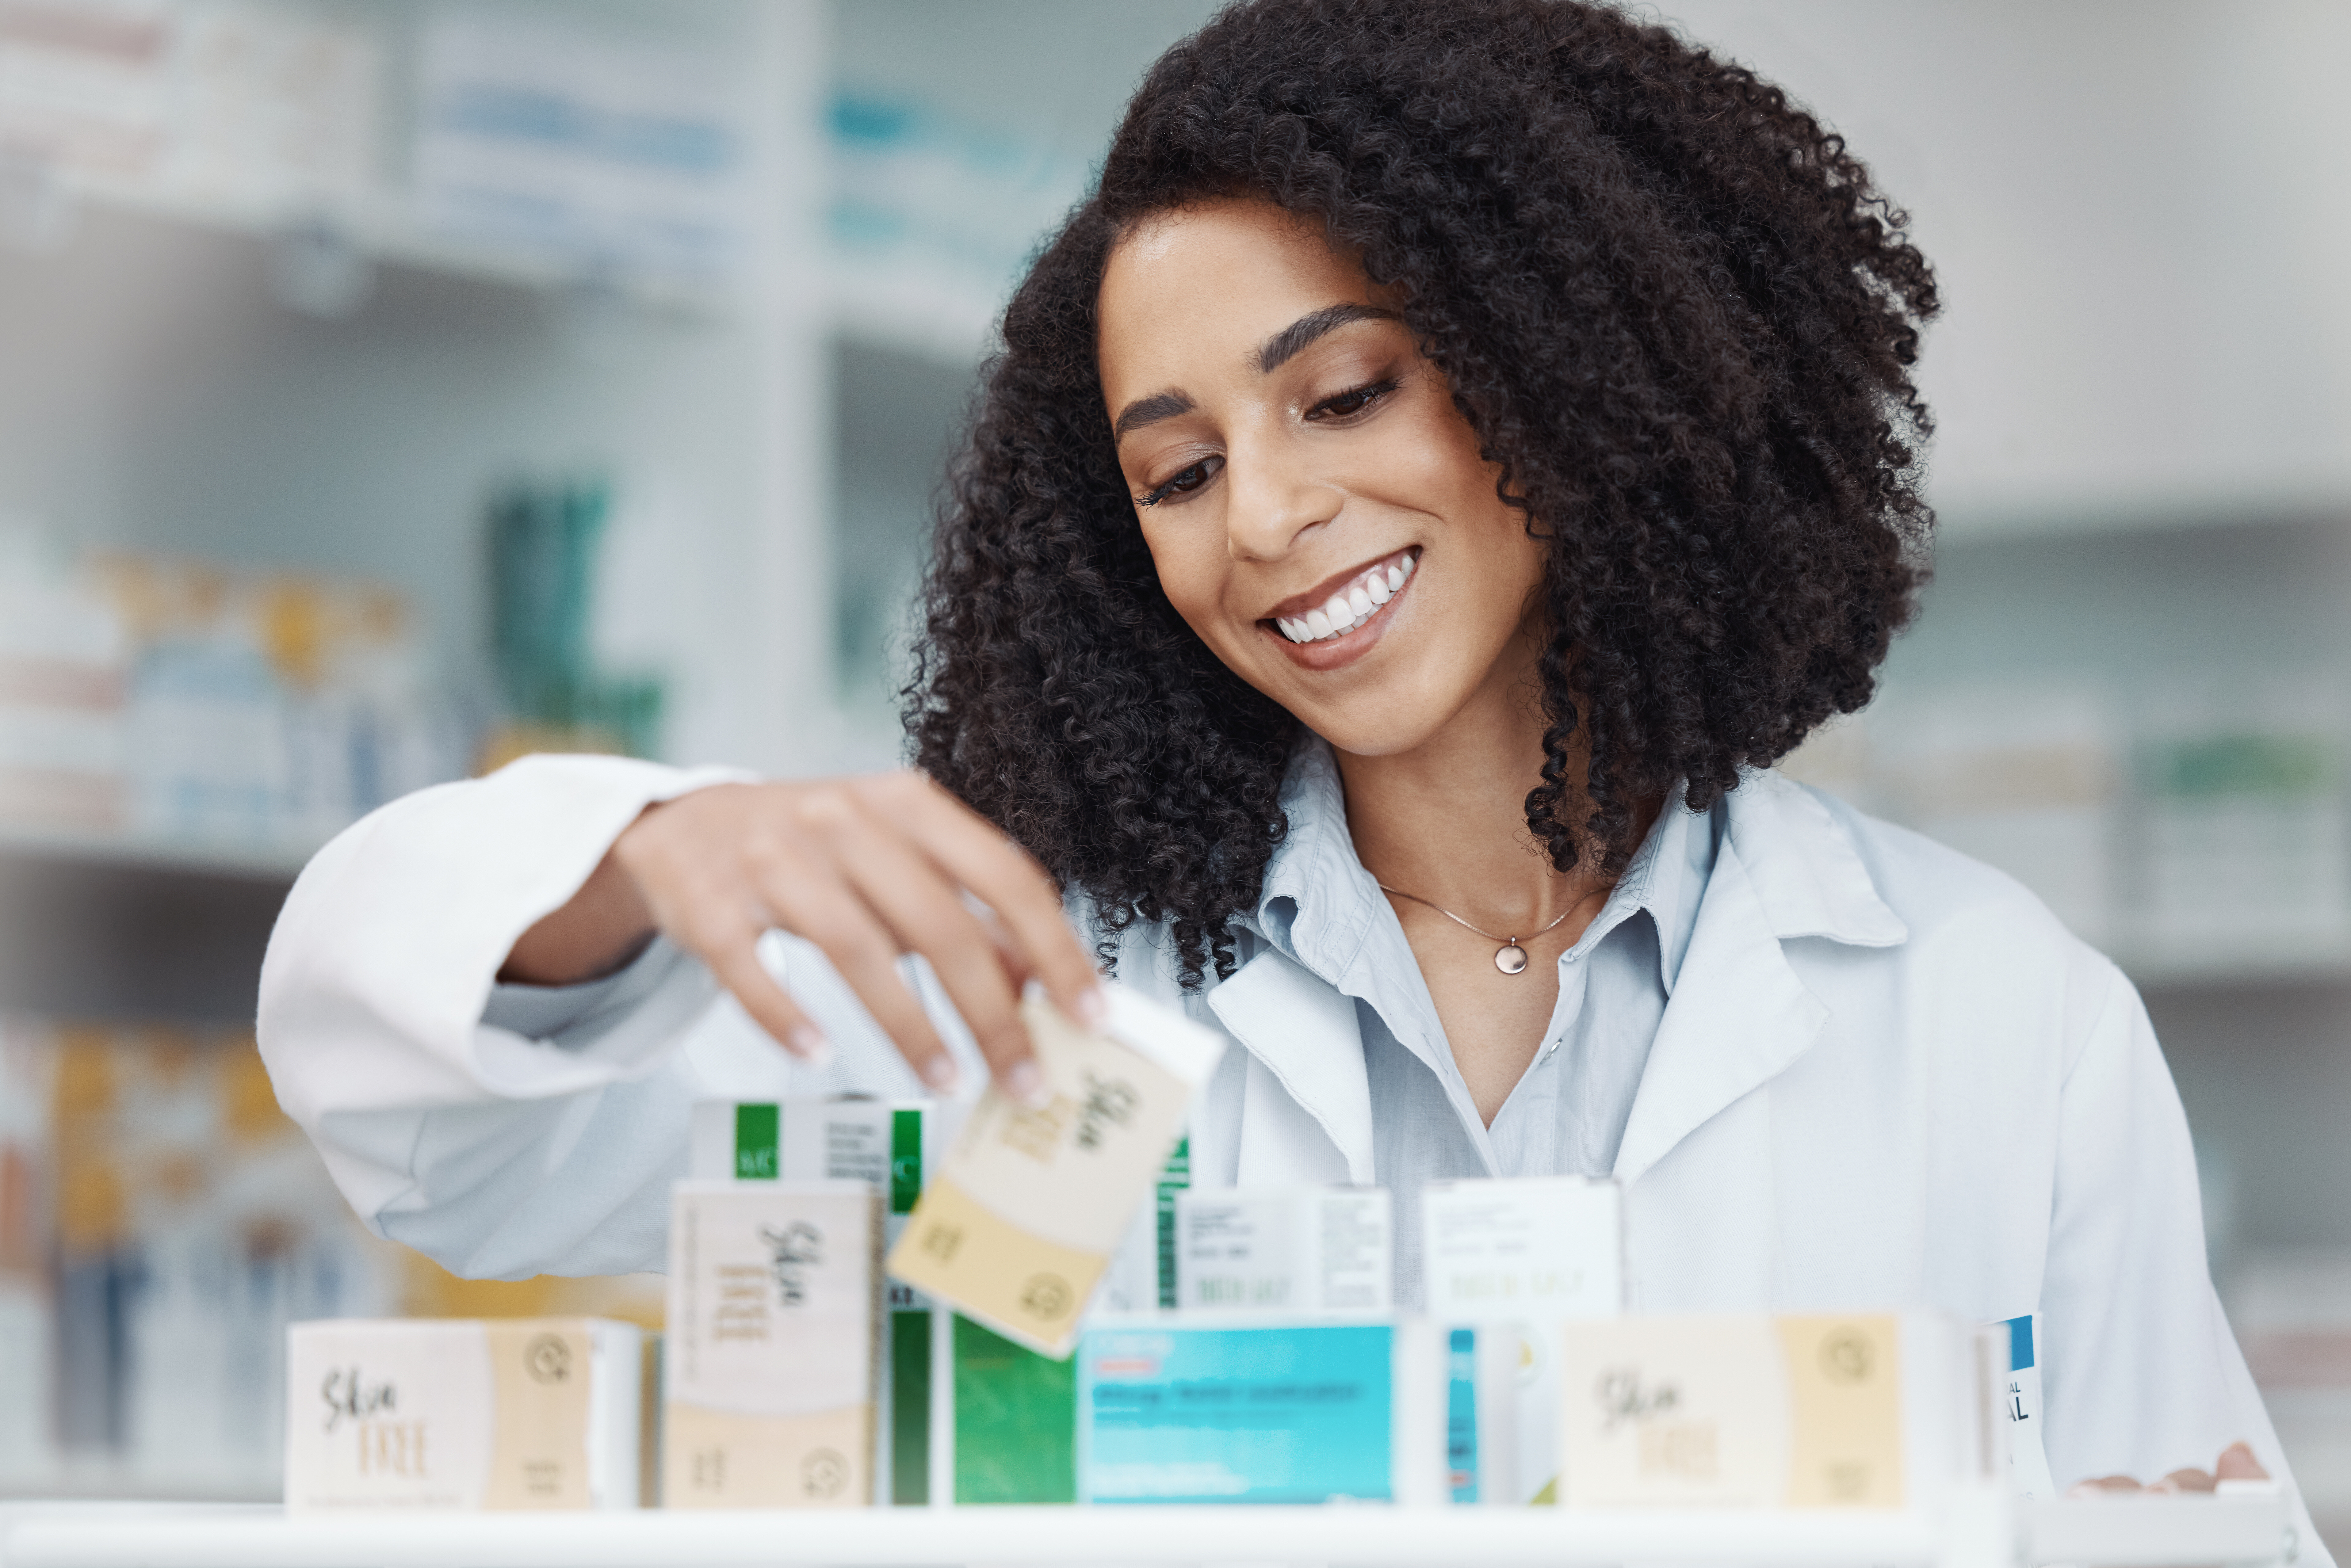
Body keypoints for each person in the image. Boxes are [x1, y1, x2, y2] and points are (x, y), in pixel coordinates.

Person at [260, 0, 2314, 1525]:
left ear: (1571, 355)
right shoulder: (1028, 993)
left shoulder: (1988, 1015)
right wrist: (639, 854)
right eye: (1177, 468)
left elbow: (2184, 1525)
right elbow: (445, 1141)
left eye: (1341, 395)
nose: (1259, 519)